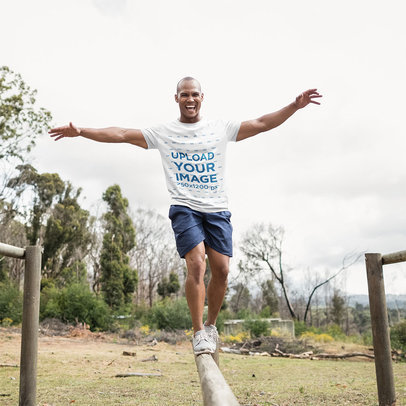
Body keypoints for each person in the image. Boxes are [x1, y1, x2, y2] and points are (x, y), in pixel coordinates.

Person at [49, 77, 322, 355]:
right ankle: (198, 333)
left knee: (223, 270)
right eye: (184, 95)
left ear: (202, 97)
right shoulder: (164, 132)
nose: (189, 99)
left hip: (217, 209)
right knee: (197, 265)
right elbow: (120, 134)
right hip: (184, 207)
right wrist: (81, 131)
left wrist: (294, 106)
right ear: (176, 98)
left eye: (194, 95)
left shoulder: (220, 128)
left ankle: (211, 324)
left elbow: (262, 124)